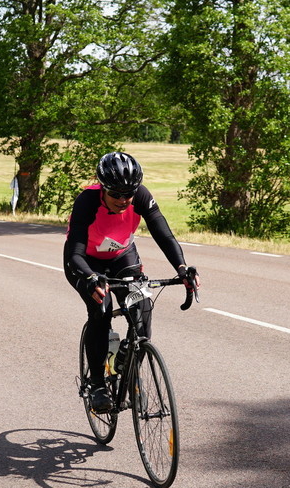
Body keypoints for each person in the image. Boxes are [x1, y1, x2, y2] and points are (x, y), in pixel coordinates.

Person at [64, 151, 199, 413]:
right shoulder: (87, 201)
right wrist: (91, 278)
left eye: (129, 193)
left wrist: (182, 268)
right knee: (101, 311)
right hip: (86, 261)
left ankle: (131, 369)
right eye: (116, 194)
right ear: (102, 188)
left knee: (142, 305)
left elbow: (164, 235)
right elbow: (74, 253)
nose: (124, 200)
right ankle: (98, 384)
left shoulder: (141, 197)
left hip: (121, 256)